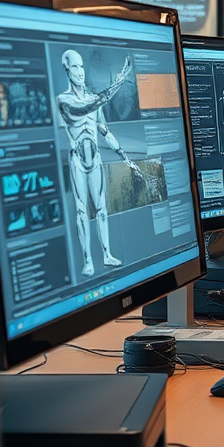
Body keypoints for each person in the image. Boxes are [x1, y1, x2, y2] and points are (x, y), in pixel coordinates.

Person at [56, 51, 141, 277]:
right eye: (75, 67)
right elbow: (83, 110)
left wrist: (126, 158)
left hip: (95, 159)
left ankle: (107, 254)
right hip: (77, 160)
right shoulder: (64, 100)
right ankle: (87, 261)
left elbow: (104, 131)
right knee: (82, 210)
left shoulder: (93, 99)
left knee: (102, 209)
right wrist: (119, 81)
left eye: (82, 67)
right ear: (67, 70)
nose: (80, 72)